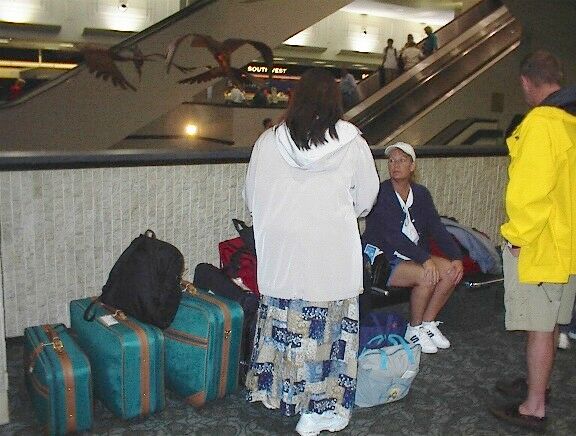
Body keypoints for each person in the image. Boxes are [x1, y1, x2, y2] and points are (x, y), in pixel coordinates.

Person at [244, 67, 379, 436]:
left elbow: (251, 199)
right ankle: (321, 407)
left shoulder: (268, 142)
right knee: (328, 332)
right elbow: (366, 199)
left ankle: (280, 394)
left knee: (285, 323)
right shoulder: (352, 143)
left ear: (296, 98)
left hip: (282, 259)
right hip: (330, 258)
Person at [490, 50, 576, 432]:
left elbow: (528, 193)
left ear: (527, 82)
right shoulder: (571, 121)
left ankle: (534, 405)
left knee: (539, 325)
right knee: (551, 323)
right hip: (567, 243)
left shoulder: (541, 123)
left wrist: (515, 237)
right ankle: (538, 384)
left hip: (541, 246)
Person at [362, 142, 464, 354]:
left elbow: (436, 226)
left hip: (413, 255)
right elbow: (392, 238)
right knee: (426, 275)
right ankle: (414, 328)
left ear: (412, 166)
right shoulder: (381, 194)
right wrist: (425, 259)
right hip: (383, 259)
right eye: (391, 161)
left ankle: (428, 323)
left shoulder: (421, 194)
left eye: (401, 160)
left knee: (450, 271)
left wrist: (456, 257)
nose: (395, 165)